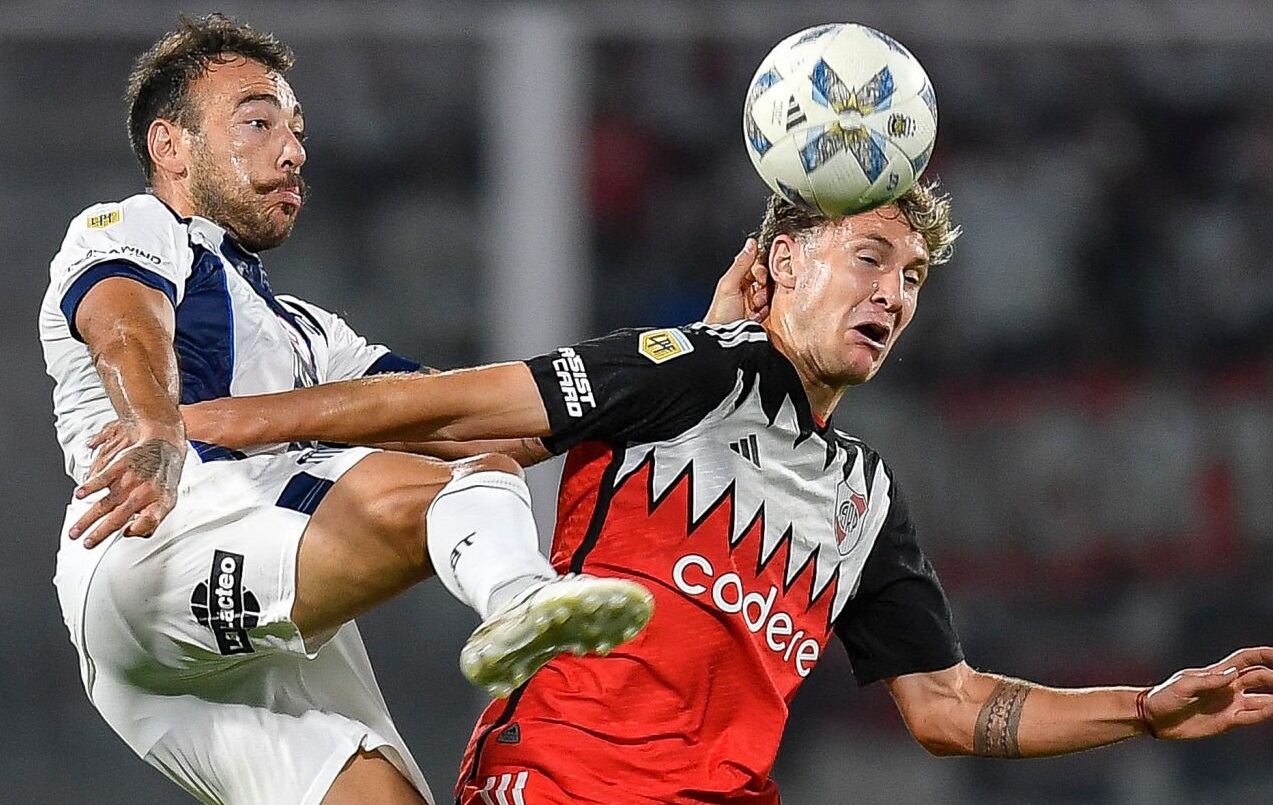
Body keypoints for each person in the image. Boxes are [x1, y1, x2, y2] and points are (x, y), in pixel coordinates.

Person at [144, 180, 1273, 804]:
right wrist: (200, 426)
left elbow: (944, 707)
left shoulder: (866, 498)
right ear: (785, 263)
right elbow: (452, 408)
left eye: (913, 276)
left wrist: (1142, 706)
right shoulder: (694, 371)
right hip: (562, 788)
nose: (894, 293)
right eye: (869, 257)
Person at [41, 13, 706, 804]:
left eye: (297, 129)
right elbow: (125, 324)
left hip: (193, 656)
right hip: (145, 547)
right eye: (257, 122)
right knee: (462, 488)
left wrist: (689, 369)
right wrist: (155, 428)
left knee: (383, 791)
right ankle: (519, 602)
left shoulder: (310, 334)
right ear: (170, 146)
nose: (292, 151)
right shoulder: (131, 229)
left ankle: (520, 599)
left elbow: (467, 419)